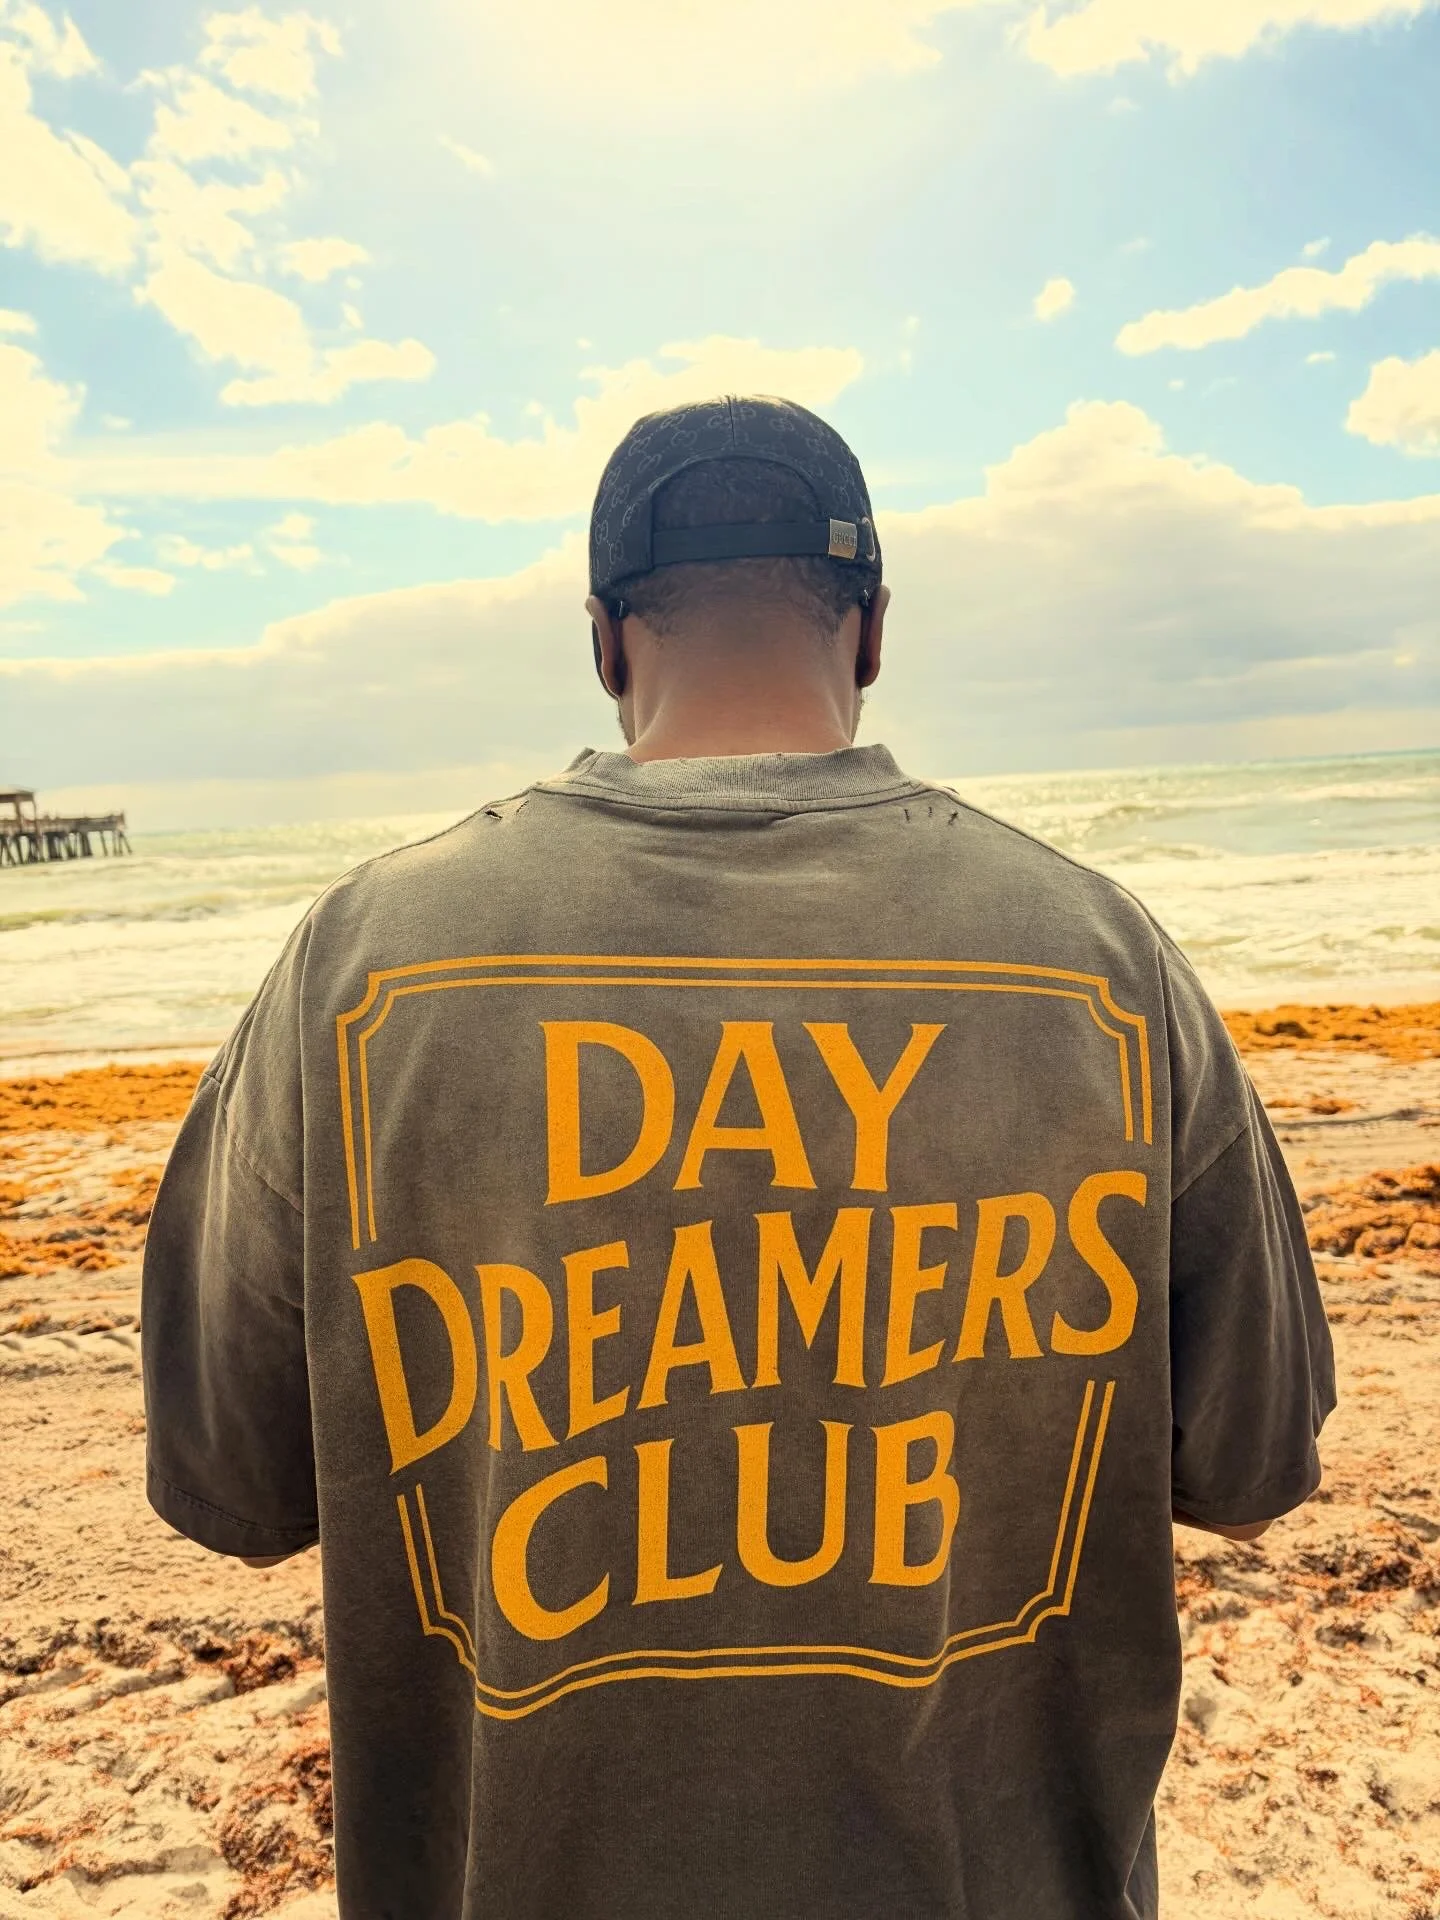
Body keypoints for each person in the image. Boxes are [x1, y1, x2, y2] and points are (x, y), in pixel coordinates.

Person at [141, 394, 1336, 1920]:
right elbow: (1249, 1467)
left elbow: (234, 1483)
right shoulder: (1099, 962)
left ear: (604, 634)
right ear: (877, 624)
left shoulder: (364, 969)